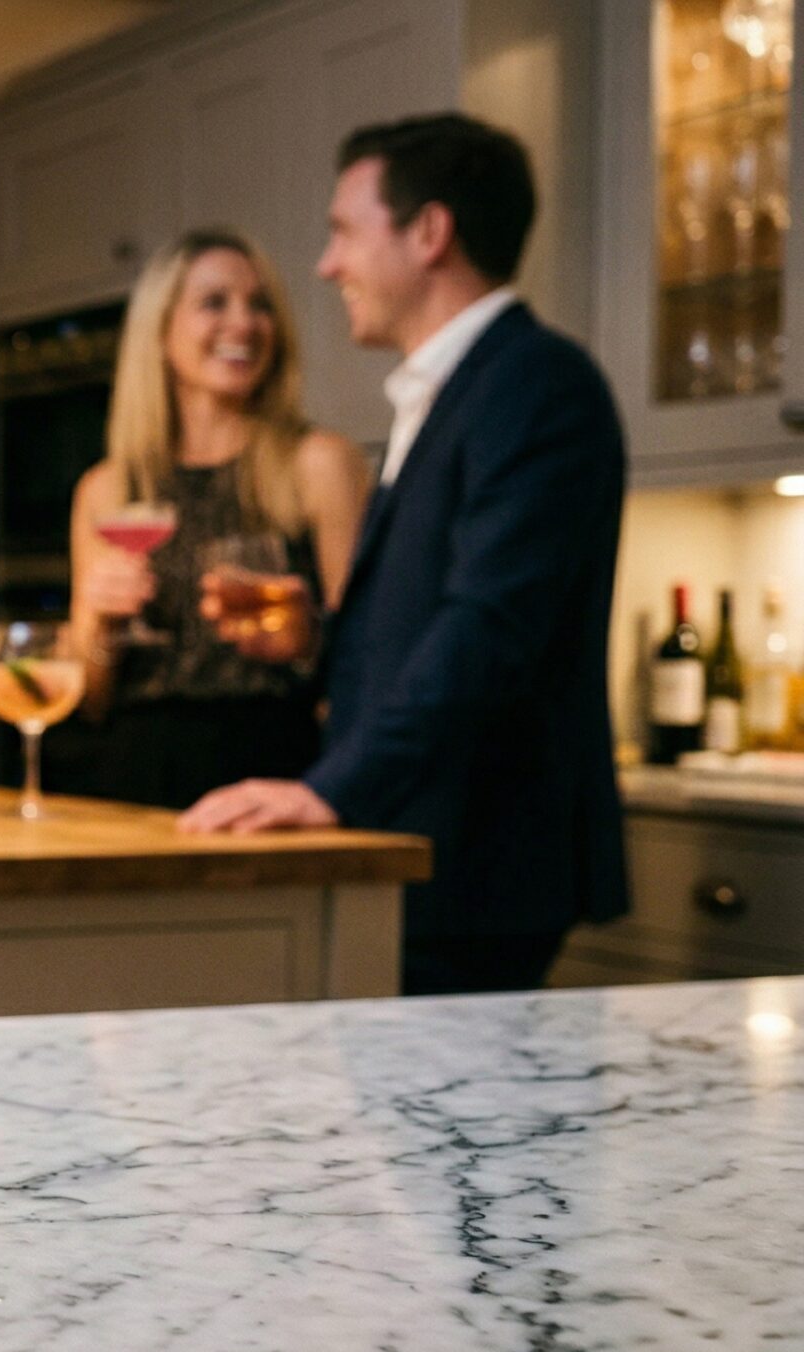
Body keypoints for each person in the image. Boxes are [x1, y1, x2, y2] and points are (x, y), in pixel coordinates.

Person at [180, 113, 629, 997]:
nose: (327, 263)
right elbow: (438, 614)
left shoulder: (538, 384)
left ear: (429, 233)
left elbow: (492, 627)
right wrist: (319, 636)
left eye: (346, 230)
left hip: (474, 862)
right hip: (425, 849)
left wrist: (331, 790)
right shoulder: (461, 387)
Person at [66, 229, 369, 808]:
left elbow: (369, 662)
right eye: (214, 303)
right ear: (160, 333)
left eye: (260, 306)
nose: (244, 324)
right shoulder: (108, 489)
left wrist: (307, 641)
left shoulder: (318, 464)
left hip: (271, 770)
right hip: (133, 777)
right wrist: (99, 624)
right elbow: (92, 699)